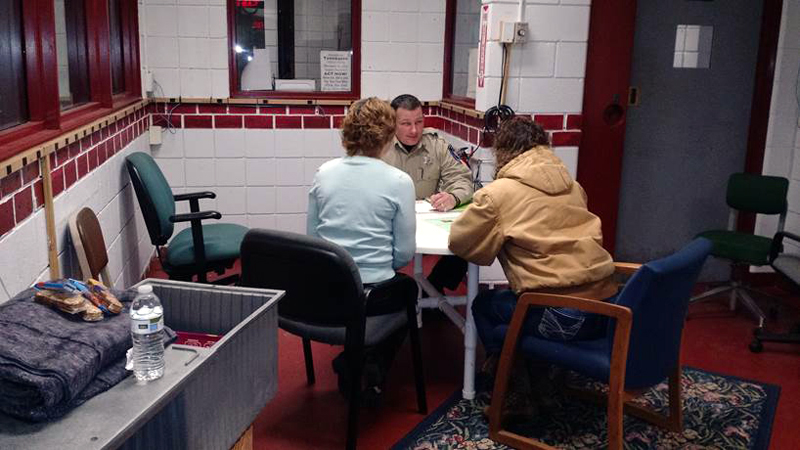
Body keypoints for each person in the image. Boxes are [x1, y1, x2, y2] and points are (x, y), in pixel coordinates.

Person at [448, 116, 617, 411]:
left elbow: (462, 244)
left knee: (485, 306)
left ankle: (514, 392)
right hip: (607, 309)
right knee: (517, 305)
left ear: (502, 151)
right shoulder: (573, 186)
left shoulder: (498, 194)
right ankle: (542, 375)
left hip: (562, 319)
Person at [307, 97, 416, 404]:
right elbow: (405, 253)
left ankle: (356, 362)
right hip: (372, 297)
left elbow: (313, 239)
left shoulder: (323, 173)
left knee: (371, 298)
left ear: (346, 132)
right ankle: (370, 363)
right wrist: (382, 265)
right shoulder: (399, 181)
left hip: (328, 294)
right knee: (410, 293)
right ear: (388, 135)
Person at [383, 94, 474, 294]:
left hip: (427, 219)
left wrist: (453, 197)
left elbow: (463, 179)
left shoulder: (436, 144)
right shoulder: (379, 147)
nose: (414, 130)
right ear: (392, 123)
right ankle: (389, 295)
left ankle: (433, 287)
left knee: (471, 238)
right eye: (406, 123)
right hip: (389, 223)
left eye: (419, 122)